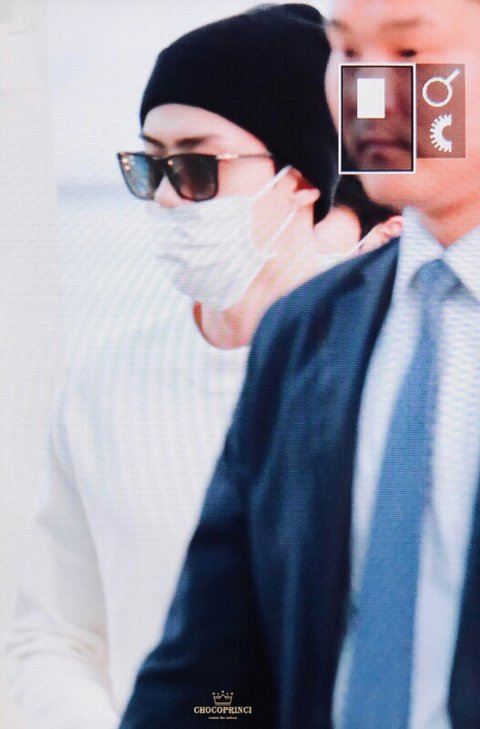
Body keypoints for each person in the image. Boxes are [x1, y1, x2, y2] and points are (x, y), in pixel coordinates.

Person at [4, 6, 400, 729]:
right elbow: (54, 637)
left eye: (194, 166)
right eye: (149, 166)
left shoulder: (391, 374)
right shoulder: (105, 389)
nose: (163, 196)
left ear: (303, 177)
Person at [118, 0, 480, 728]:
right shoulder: (304, 334)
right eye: (347, 53)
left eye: (410, 55)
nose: (367, 94)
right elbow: (214, 670)